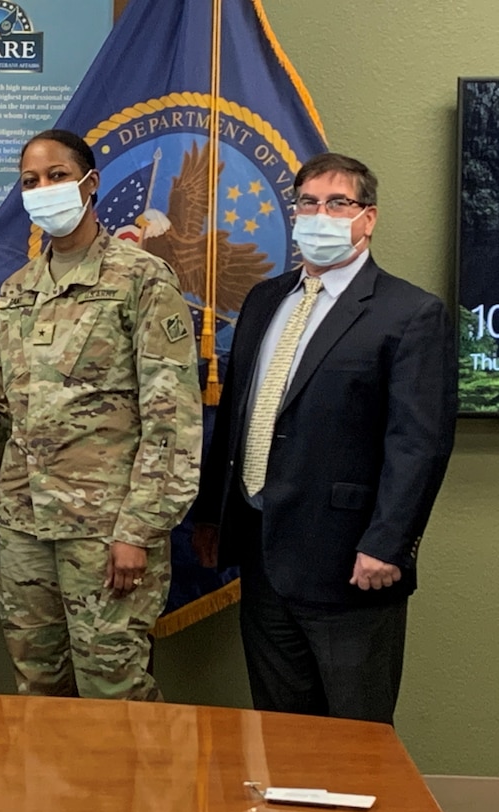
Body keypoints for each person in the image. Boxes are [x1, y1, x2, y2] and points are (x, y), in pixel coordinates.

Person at [0, 129, 202, 700]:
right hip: (25, 530)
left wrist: (139, 531)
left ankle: (133, 795)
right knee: (39, 688)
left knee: (115, 691)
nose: (43, 189)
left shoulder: (140, 279)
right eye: (30, 181)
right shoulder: (19, 290)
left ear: (90, 183)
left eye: (56, 176)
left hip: (106, 533)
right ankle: (52, 795)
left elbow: (172, 424)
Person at [191, 152, 457, 724]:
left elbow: (420, 442)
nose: (321, 214)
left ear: (368, 218)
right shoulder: (266, 300)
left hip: (350, 562)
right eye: (308, 202)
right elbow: (238, 414)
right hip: (262, 555)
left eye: (339, 202)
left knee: (356, 734)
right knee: (281, 727)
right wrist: (213, 516)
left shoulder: (410, 313)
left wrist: (389, 542)